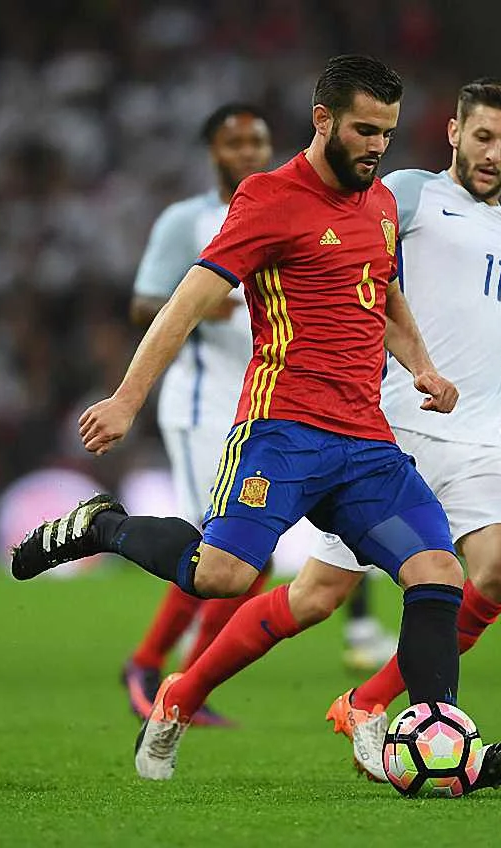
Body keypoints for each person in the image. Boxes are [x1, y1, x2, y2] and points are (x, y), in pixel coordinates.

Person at [10, 55, 501, 790]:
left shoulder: (381, 205)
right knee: (222, 575)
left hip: (366, 441)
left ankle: (440, 741)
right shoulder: (269, 197)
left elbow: (384, 295)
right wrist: (128, 398)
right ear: (323, 120)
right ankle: (104, 527)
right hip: (281, 430)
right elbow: (188, 301)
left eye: (386, 133)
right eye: (364, 130)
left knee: (438, 572)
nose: (376, 147)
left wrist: (422, 366)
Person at [120, 104, 396, 729]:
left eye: (258, 141)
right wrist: (214, 301)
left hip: (275, 402)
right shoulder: (186, 220)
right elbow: (144, 303)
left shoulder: (294, 205)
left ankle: (185, 680)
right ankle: (149, 666)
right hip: (202, 402)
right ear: (211, 152)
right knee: (223, 552)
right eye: (233, 143)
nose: (247, 152)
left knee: (249, 558)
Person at [320, 78, 501, 779]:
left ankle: (373, 704)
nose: (493, 153)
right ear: (454, 132)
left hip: (477, 432)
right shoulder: (408, 193)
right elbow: (363, 289)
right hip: (393, 423)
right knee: (315, 595)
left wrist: (494, 412)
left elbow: (478, 335)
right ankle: (182, 689)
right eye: (483, 137)